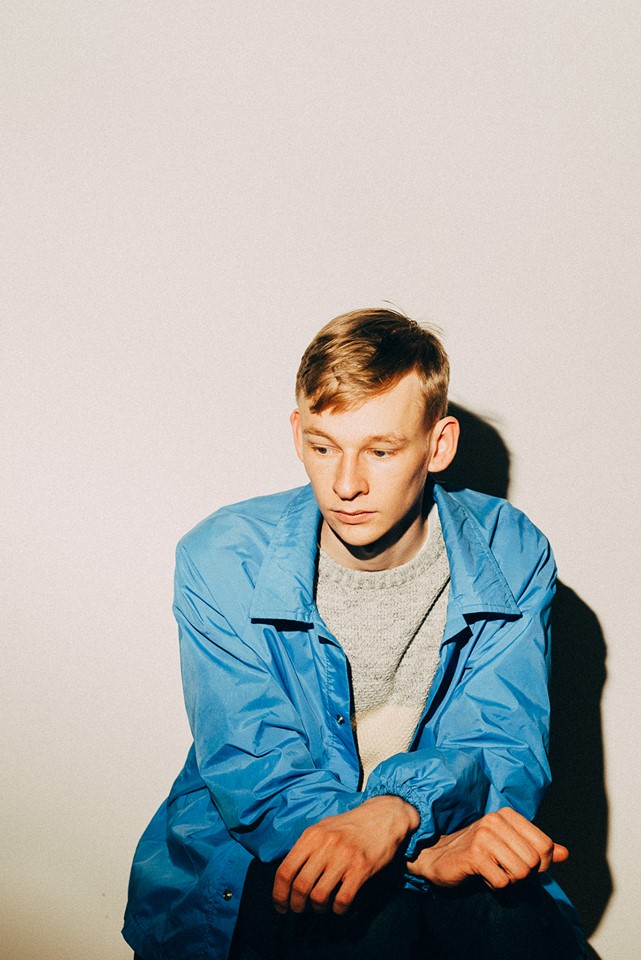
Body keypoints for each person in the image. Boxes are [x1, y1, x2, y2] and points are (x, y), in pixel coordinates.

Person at [123, 308, 586, 960]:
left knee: (515, 925)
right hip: (270, 849)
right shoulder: (222, 558)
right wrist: (414, 852)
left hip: (443, 829)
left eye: (380, 450)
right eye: (323, 447)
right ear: (297, 433)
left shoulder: (509, 548)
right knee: (367, 928)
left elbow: (502, 748)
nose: (345, 484)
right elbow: (256, 773)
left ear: (438, 445)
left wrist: (399, 812)